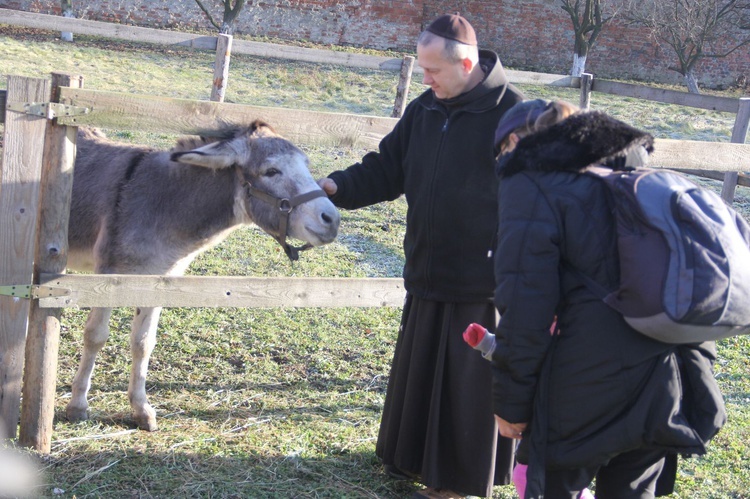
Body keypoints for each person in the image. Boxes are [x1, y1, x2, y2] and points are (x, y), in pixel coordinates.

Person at [317, 13, 524, 498]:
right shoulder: (425, 110)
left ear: (466, 63)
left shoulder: (513, 114)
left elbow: (537, 198)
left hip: (482, 284)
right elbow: (388, 168)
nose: (425, 80)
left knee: (467, 388)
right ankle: (410, 456)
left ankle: (456, 479)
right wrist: (335, 186)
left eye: (433, 71)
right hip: (428, 274)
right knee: (422, 374)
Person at [489, 99, 727, 498]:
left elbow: (525, 305)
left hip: (581, 385)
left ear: (514, 142)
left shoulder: (531, 183)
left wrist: (511, 404)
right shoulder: (640, 173)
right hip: (663, 372)